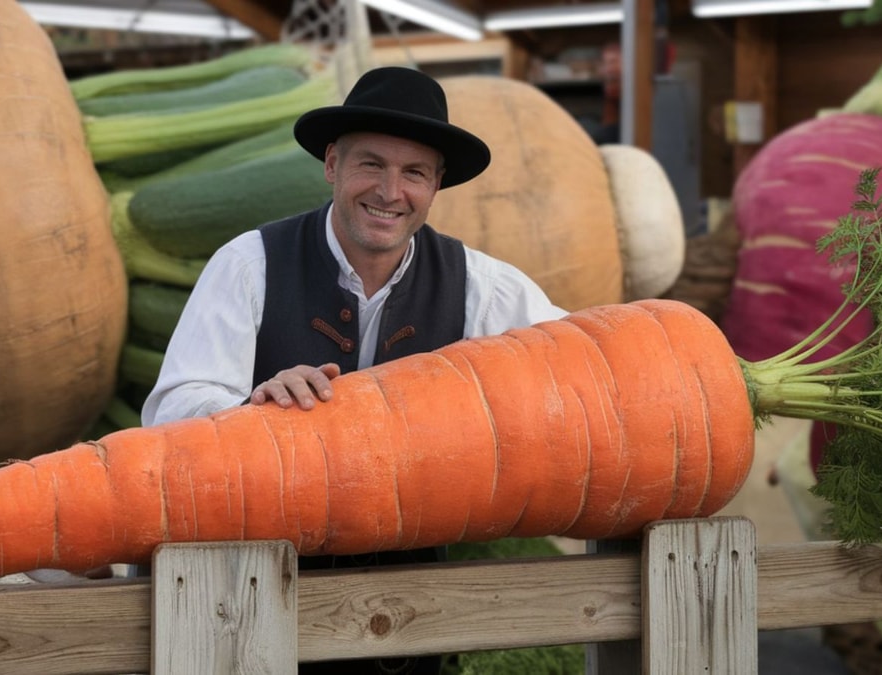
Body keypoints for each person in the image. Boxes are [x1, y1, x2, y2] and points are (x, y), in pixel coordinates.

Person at [141, 66, 567, 674]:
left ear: (437, 184)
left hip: (406, 616)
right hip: (252, 605)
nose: (390, 191)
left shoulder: (482, 286)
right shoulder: (249, 263)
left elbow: (581, 360)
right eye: (371, 164)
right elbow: (168, 411)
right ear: (332, 164)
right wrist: (247, 411)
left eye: (414, 172)